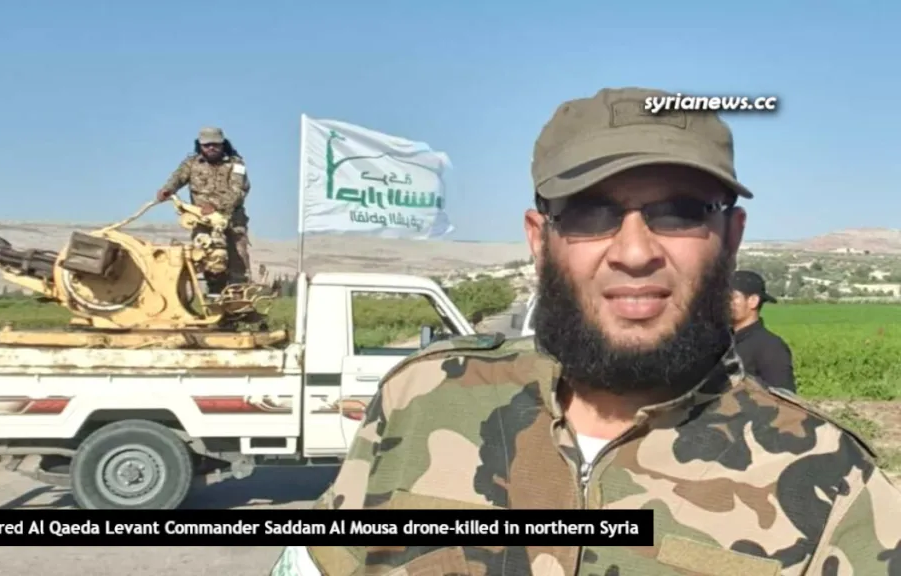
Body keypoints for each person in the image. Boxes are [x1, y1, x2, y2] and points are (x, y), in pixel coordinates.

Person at [269, 87, 901, 575]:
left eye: (680, 212)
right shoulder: (422, 399)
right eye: (590, 213)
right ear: (539, 239)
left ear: (730, 239)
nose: (635, 252)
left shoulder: (832, 480)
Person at [156, 126, 252, 290]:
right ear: (200, 145)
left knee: (238, 261)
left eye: (215, 144)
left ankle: (238, 298)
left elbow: (238, 191)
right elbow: (177, 178)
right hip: (203, 222)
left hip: (233, 222)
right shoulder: (191, 164)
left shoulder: (236, 165)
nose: (211, 148)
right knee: (208, 259)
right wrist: (167, 190)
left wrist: (215, 206)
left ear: (223, 144)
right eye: (207, 145)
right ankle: (214, 295)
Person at [730, 269, 797, 391]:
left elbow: (783, 398)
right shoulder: (719, 343)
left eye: (731, 297)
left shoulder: (770, 347)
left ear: (753, 301)